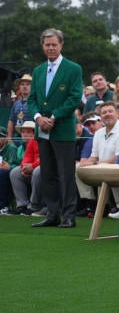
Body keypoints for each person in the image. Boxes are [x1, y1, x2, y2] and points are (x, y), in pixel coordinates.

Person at [28, 28, 83, 228]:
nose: (50, 48)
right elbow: (32, 98)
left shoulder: (73, 68)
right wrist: (37, 117)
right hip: (42, 130)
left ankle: (69, 215)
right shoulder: (38, 70)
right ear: (42, 46)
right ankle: (52, 214)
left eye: (54, 44)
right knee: (47, 173)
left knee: (65, 174)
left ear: (61, 45)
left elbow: (75, 97)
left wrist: (53, 116)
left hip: (62, 130)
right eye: (47, 44)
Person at [81, 102, 119, 219]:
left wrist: (97, 164)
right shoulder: (99, 133)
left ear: (117, 114)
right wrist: (87, 163)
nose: (107, 114)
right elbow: (94, 155)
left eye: (110, 111)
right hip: (104, 166)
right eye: (104, 112)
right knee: (79, 168)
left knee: (115, 168)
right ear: (100, 116)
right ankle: (91, 205)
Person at [8, 121, 39, 215]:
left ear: (35, 132)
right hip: (31, 170)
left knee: (38, 171)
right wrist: (24, 167)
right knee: (14, 172)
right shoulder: (25, 145)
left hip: (43, 170)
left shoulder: (41, 140)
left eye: (29, 132)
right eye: (23, 132)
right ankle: (22, 205)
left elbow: (45, 159)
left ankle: (34, 206)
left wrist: (32, 166)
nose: (25, 134)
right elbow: (26, 158)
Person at [0, 127, 20, 214]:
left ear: (5, 138)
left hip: (9, 174)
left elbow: (16, 165)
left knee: (2, 173)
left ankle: (3, 205)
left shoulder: (11, 148)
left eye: (0, 136)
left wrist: (9, 167)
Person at [8, 74, 33, 139]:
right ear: (19, 87)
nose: (25, 86)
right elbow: (11, 121)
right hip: (18, 137)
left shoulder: (36, 102)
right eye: (22, 84)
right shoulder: (16, 103)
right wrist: (9, 138)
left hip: (32, 137)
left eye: (28, 84)